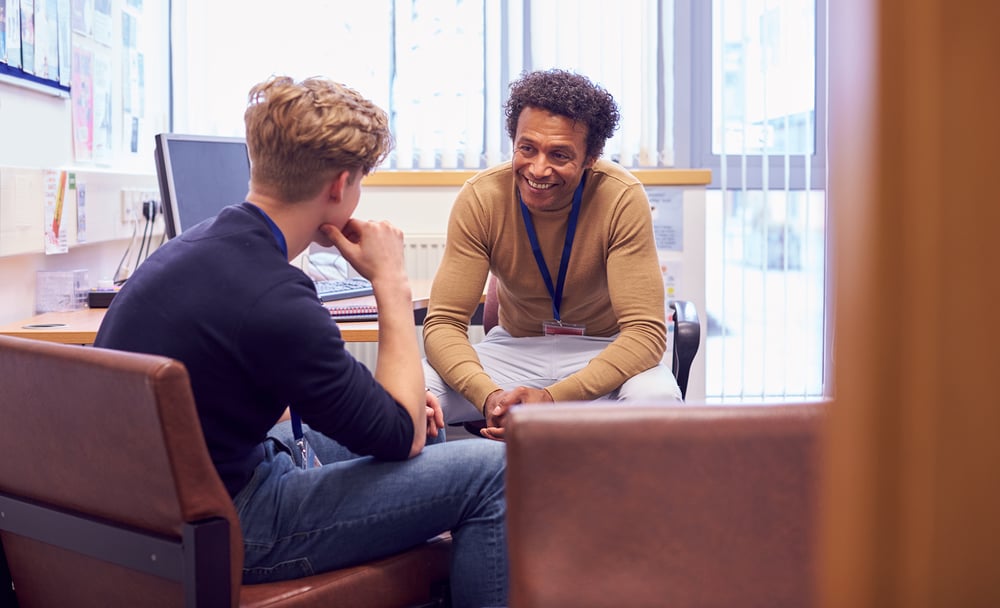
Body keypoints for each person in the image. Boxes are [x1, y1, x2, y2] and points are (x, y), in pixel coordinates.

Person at [95, 75, 507, 607]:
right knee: (493, 471)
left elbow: (384, 419)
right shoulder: (275, 297)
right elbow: (398, 435)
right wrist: (392, 283)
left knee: (431, 431)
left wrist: (399, 416)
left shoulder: (197, 245)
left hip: (158, 503)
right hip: (231, 523)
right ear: (339, 186)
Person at [423, 68, 682, 440]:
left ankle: (621, 500)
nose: (538, 168)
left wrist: (553, 399)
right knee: (411, 394)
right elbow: (443, 324)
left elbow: (644, 334)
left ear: (591, 157)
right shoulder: (482, 197)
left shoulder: (621, 197)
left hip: (603, 350)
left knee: (657, 403)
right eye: (527, 148)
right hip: (514, 351)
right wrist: (490, 397)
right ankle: (453, 493)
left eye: (559, 154)